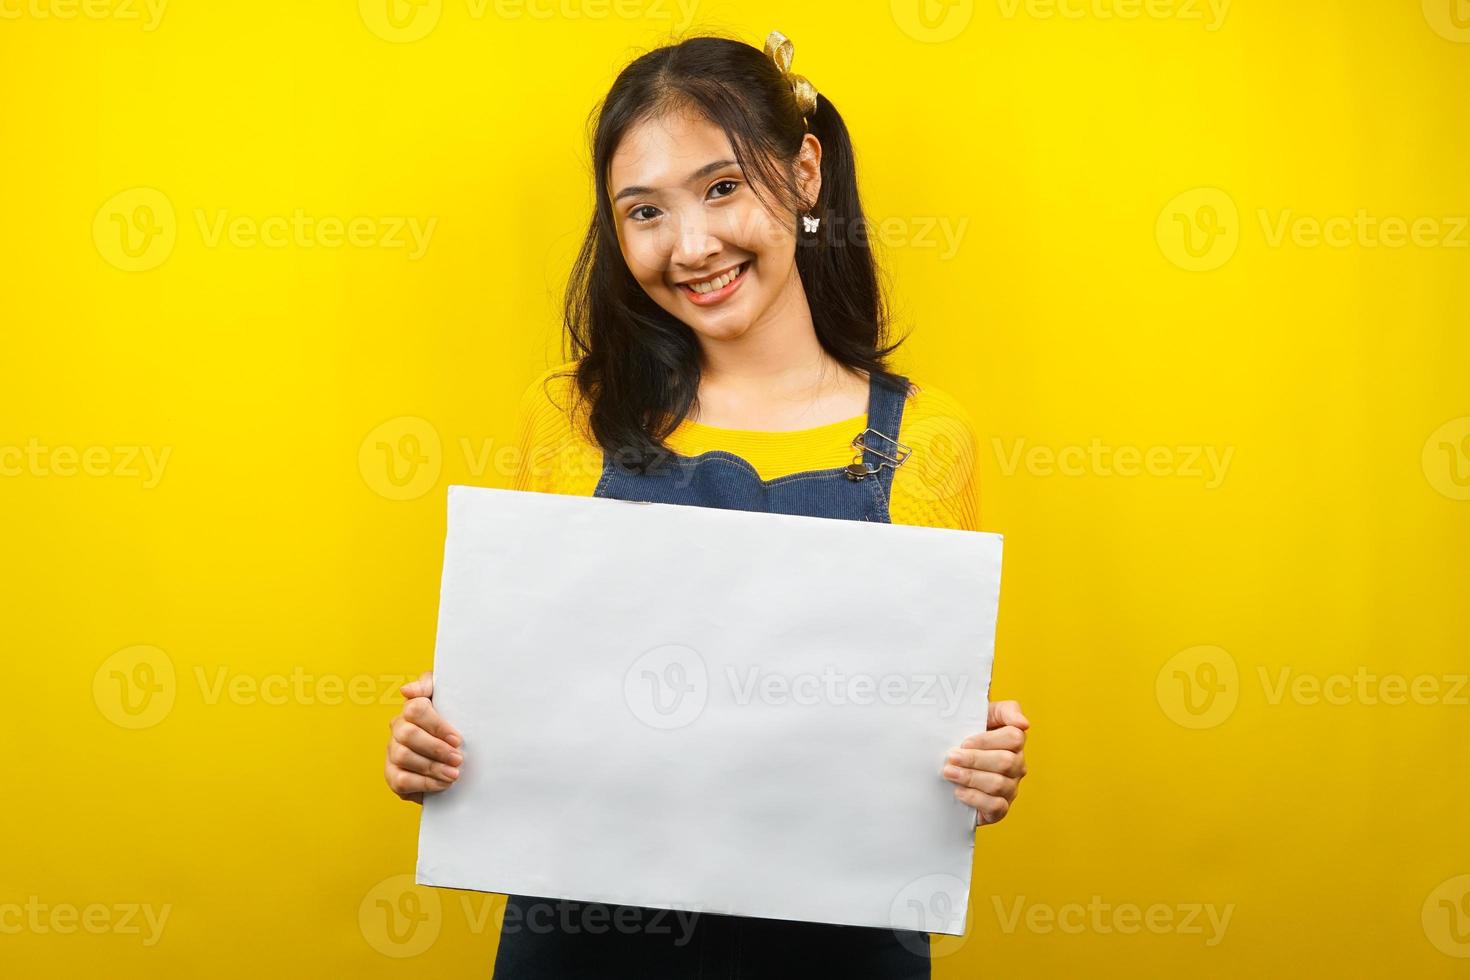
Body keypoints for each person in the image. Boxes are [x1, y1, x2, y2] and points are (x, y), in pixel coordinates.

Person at [384, 29, 1030, 978]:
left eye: (722, 188)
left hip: (843, 950)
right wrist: (441, 742)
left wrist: (979, 765)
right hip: (583, 946)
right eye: (644, 211)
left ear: (803, 172)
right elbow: (528, 693)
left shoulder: (932, 440)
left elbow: (925, 729)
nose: (691, 247)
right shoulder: (566, 419)